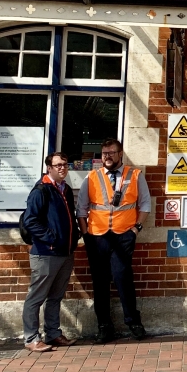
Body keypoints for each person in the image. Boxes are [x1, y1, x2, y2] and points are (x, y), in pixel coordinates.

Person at [77, 138, 151, 342]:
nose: (107, 157)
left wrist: (135, 230)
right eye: (104, 154)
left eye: (111, 153)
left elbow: (145, 204)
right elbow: (81, 209)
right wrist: (86, 235)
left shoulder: (135, 175)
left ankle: (133, 322)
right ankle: (104, 326)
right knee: (100, 282)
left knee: (123, 278)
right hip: (97, 237)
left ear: (120, 155)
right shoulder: (92, 177)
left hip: (123, 236)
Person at [21, 152, 81, 352]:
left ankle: (53, 333)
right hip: (46, 253)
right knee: (36, 297)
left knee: (55, 296)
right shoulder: (41, 190)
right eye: (57, 165)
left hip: (65, 252)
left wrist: (74, 237)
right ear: (49, 168)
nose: (62, 168)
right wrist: (52, 238)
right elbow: (30, 221)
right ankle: (31, 338)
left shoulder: (65, 190)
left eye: (65, 164)